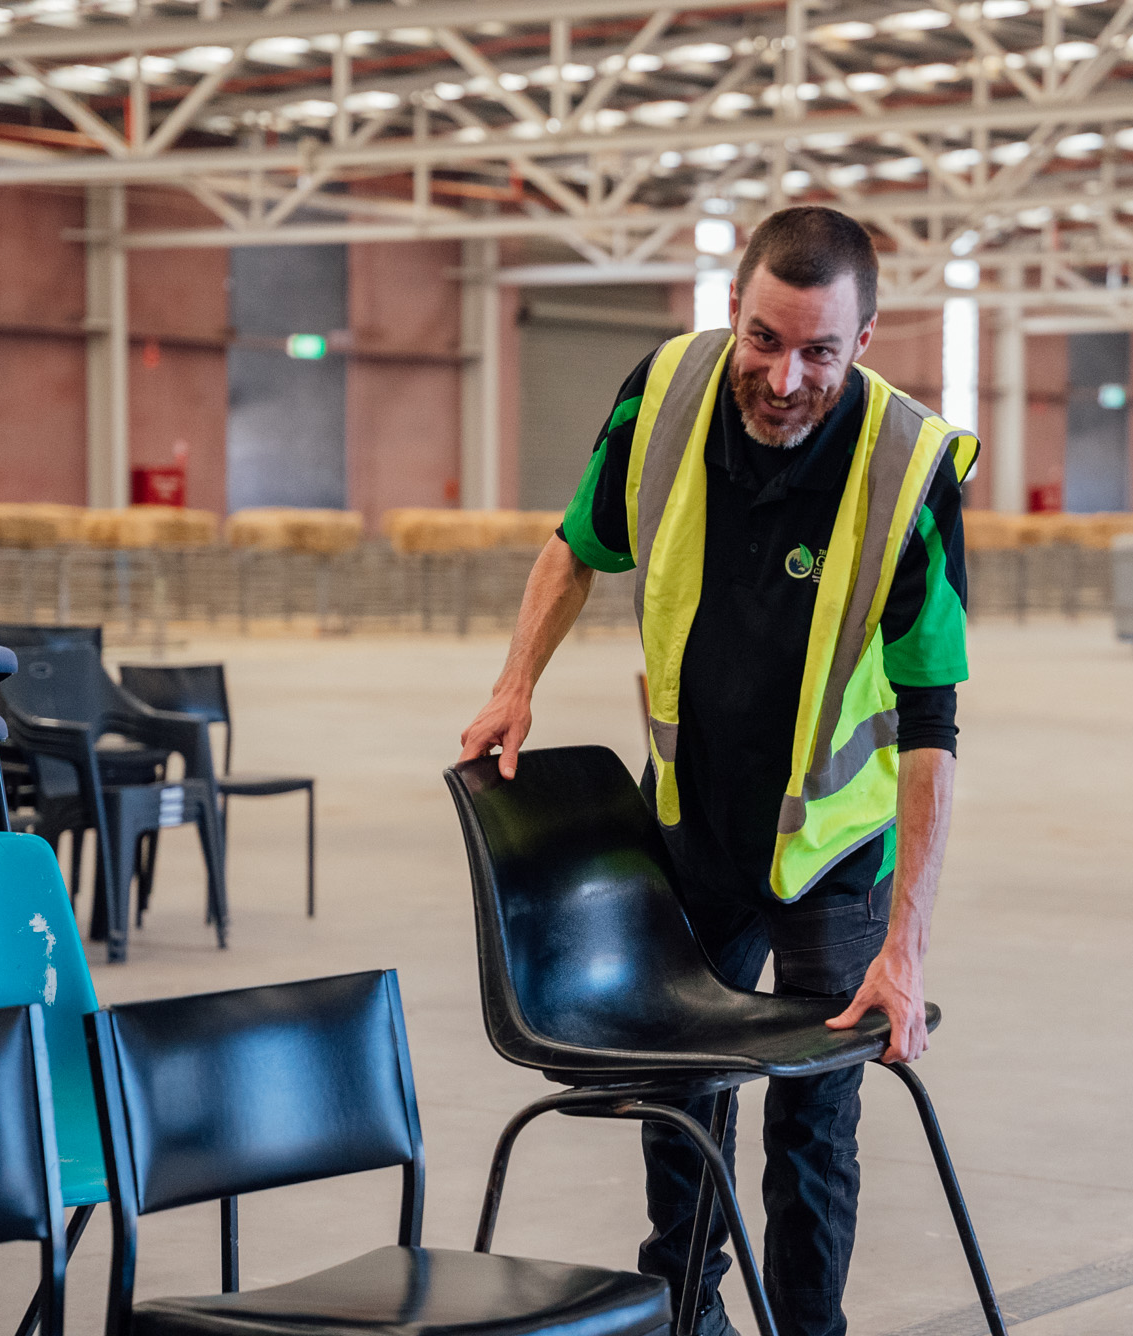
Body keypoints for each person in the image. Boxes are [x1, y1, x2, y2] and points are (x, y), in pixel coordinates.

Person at [458, 205, 976, 1336]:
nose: (784, 377)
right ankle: (686, 1311)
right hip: (691, 821)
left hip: (834, 849)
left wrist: (905, 945)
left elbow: (934, 722)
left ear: (863, 342)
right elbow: (575, 545)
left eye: (817, 351)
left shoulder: (910, 469)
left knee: (811, 1119)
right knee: (679, 1094)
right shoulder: (667, 392)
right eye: (762, 338)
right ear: (730, 311)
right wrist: (515, 683)